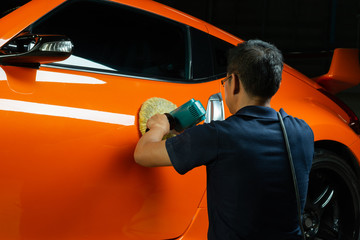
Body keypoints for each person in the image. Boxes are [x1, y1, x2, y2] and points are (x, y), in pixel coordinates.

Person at [134, 39, 314, 240]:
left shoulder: (217, 135)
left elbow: (143, 154)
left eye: (225, 81)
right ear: (277, 83)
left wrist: (160, 125)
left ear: (234, 82)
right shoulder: (303, 132)